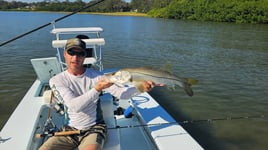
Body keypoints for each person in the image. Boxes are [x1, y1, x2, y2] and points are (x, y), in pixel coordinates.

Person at [39, 38, 155, 150]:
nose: (75, 57)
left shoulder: (97, 76)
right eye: (71, 52)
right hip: (69, 129)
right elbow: (74, 106)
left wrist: (141, 88)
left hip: (95, 128)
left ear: (85, 57)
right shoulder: (57, 80)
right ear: (65, 54)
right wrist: (97, 89)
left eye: (80, 53)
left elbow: (122, 94)